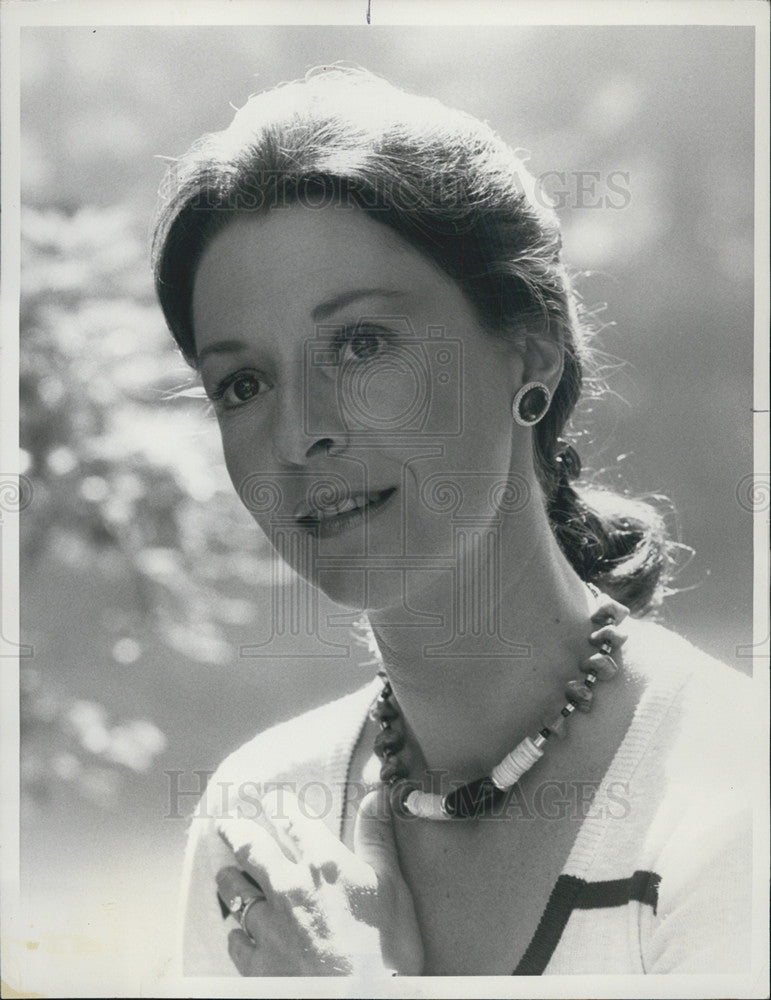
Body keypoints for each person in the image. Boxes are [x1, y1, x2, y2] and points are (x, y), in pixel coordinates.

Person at [151, 66, 752, 977]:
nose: (298, 431)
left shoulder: (735, 799)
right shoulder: (259, 817)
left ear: (530, 348)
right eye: (242, 383)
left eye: (359, 343)